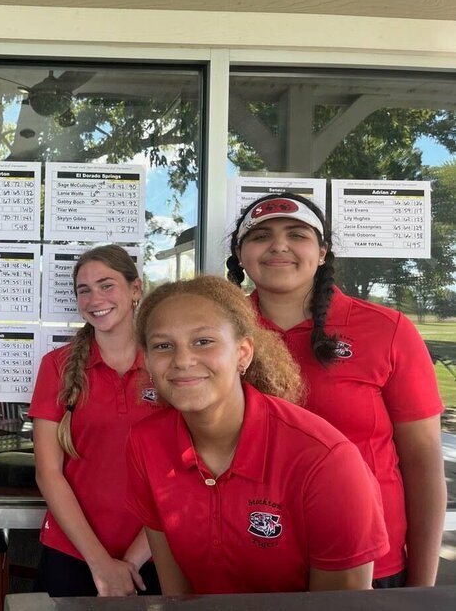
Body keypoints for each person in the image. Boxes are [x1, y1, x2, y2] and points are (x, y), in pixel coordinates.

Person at [227, 192, 446, 588]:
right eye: (261, 236)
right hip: (250, 553)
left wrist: (422, 585)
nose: (279, 245)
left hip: (369, 559)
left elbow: (423, 460)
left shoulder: (387, 330)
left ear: (322, 252)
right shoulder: (217, 333)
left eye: (297, 234)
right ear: (241, 255)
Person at [126, 276, 389, 594]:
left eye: (203, 341)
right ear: (149, 362)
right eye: (163, 346)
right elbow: (176, 595)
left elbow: (338, 605)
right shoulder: (145, 443)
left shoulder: (326, 459)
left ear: (243, 352)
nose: (183, 360)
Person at [30, 244, 163, 598]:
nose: (94, 298)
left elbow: (181, 474)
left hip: (156, 551)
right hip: (73, 551)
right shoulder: (57, 366)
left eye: (107, 285)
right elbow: (48, 472)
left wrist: (131, 562)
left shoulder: (168, 364)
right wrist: (100, 562)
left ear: (136, 289)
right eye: (83, 290)